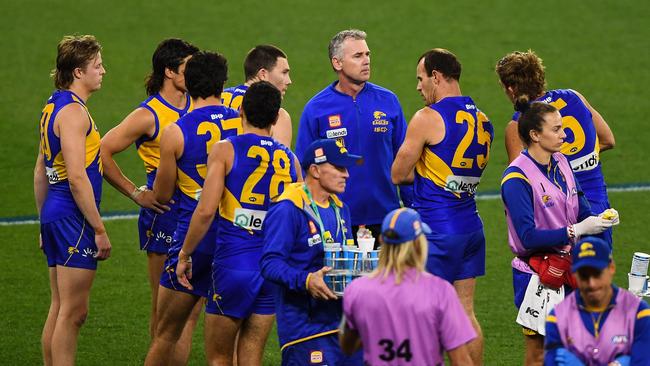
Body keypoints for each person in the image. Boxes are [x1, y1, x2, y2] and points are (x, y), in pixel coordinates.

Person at [175, 81, 301, 365]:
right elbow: (298, 216)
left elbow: (206, 211)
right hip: (271, 268)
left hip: (233, 264)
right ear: (275, 117)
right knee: (252, 356)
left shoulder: (225, 149)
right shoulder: (291, 161)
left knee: (219, 358)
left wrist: (185, 253)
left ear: (240, 110)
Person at [391, 48, 492, 365]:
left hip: (437, 232)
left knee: (423, 316)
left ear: (436, 76)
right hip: (471, 228)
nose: (419, 87)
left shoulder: (427, 118)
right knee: (465, 311)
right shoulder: (483, 119)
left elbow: (398, 173)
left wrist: (421, 167)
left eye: (421, 79)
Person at [500, 101, 615, 366]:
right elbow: (527, 238)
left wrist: (598, 220)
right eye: (557, 129)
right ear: (535, 135)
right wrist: (575, 231)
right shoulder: (517, 179)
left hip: (568, 268)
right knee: (539, 353)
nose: (565, 135)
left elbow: (580, 204)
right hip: (536, 276)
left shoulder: (561, 161)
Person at [144, 51, 239, 365]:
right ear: (222, 84)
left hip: (192, 240)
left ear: (189, 83)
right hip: (234, 240)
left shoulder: (175, 131)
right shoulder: (242, 124)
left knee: (167, 332)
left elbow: (163, 192)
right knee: (230, 345)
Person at [100, 39, 198, 343]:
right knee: (164, 306)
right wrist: (134, 192)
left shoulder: (199, 104)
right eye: (187, 68)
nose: (194, 74)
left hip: (197, 212)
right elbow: (101, 151)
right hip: (165, 214)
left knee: (193, 306)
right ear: (169, 71)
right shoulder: (149, 114)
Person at [35, 34, 110, 366]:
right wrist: (99, 228)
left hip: (55, 212)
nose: (103, 71)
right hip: (73, 217)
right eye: (97, 66)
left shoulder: (53, 106)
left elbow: (41, 170)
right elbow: (77, 177)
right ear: (78, 72)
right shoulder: (74, 114)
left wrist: (42, 222)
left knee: (60, 306)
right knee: (74, 313)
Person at [295, 29, 411, 244]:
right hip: (336, 222)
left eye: (367, 54)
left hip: (387, 220)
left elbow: (405, 161)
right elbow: (304, 169)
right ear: (337, 63)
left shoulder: (388, 101)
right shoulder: (316, 109)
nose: (366, 61)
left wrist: (413, 209)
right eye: (357, 56)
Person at [495, 50, 616, 246]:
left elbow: (521, 182)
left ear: (510, 89)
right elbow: (608, 139)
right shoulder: (574, 97)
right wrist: (580, 160)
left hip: (558, 220)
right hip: (599, 210)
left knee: (558, 275)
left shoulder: (520, 124)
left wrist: (561, 168)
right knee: (597, 274)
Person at [261, 139, 363, 365]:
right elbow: (270, 264)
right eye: (339, 167)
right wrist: (306, 280)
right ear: (315, 170)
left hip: (346, 325)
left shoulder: (341, 208)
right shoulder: (288, 209)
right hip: (305, 329)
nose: (346, 174)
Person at [340, 207, 476, 365]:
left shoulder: (356, 290)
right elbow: (461, 361)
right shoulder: (439, 291)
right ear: (418, 244)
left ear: (382, 241)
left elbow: (347, 346)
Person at [544, 236, 650, 366]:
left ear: (611, 268)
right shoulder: (557, 318)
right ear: (574, 274)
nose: (591, 284)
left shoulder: (639, 313)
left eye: (597, 274)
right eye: (584, 276)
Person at [221, 45, 293, 146]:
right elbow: (280, 160)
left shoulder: (217, 98)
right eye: (284, 73)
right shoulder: (275, 113)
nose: (289, 81)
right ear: (263, 74)